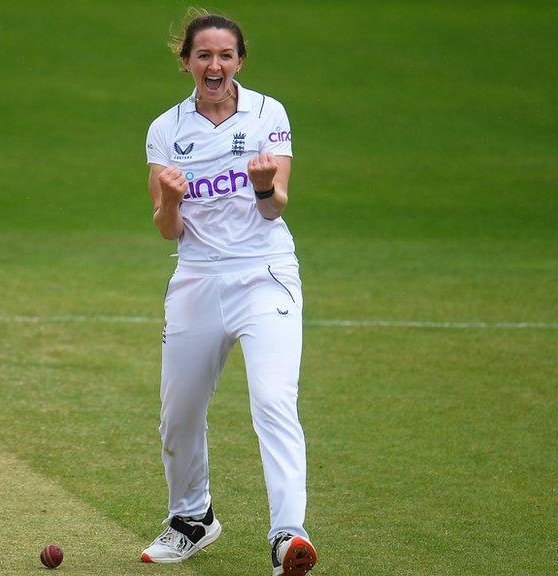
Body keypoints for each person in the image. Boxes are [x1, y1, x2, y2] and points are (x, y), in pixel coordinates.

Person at [140, 11, 317, 576]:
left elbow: (273, 204)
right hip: (196, 276)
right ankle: (192, 519)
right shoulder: (165, 130)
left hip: (264, 272)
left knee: (273, 400)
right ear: (187, 61)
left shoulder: (270, 114)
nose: (214, 66)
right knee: (179, 413)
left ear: (240, 61)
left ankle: (288, 535)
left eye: (225, 55)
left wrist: (265, 184)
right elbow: (167, 228)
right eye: (203, 55)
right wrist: (169, 199)